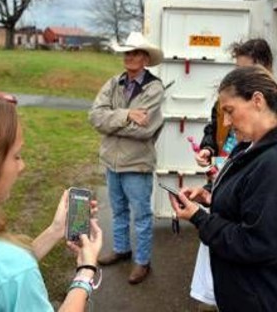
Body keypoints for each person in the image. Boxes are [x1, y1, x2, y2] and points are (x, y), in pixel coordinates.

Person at [0, 87, 102, 312]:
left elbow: (0, 271)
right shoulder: (13, 269)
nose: (22, 166)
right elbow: (8, 272)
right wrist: (85, 272)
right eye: (16, 156)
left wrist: (55, 230)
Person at [170, 65, 277, 312]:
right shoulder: (250, 146)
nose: (226, 122)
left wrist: (199, 218)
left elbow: (254, 242)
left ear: (258, 100)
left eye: (229, 111)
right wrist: (210, 194)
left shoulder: (271, 162)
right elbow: (247, 195)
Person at [89, 31, 164, 284]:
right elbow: (95, 117)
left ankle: (142, 262)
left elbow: (145, 129)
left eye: (135, 53)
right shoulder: (114, 83)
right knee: (119, 210)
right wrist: (127, 115)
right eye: (127, 53)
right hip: (112, 162)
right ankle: (122, 250)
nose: (129, 57)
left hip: (137, 164)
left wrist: (114, 119)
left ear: (145, 58)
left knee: (141, 216)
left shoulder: (154, 88)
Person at [195, 38, 273, 168]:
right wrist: (208, 149)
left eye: (246, 70)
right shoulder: (226, 99)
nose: (238, 76)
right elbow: (214, 128)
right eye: (237, 69)